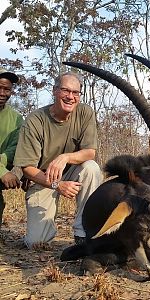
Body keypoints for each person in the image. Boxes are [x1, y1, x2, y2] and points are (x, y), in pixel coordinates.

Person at [14, 72, 103, 248]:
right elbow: (27, 168)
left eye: (75, 92)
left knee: (91, 168)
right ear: (55, 91)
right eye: (65, 91)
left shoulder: (85, 112)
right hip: (43, 178)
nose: (70, 97)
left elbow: (90, 152)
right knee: (36, 243)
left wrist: (66, 157)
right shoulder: (35, 120)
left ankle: (82, 233)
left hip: (71, 172)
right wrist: (57, 185)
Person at [0, 68, 23, 228]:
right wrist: (2, 171)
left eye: (7, 89)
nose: (2, 93)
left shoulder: (16, 119)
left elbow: (15, 149)